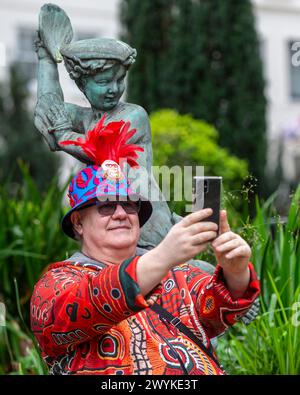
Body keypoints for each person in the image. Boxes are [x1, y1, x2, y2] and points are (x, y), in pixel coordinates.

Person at [30, 117, 260, 375]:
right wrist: (163, 256)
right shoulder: (56, 283)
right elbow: (74, 311)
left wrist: (235, 270)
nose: (121, 213)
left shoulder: (180, 275)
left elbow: (216, 311)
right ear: (78, 222)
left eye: (129, 205)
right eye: (107, 205)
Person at [34, 4, 174, 250]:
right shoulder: (87, 118)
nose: (114, 88)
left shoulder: (134, 115)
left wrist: (64, 133)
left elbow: (99, 150)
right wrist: (46, 59)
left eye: (119, 80)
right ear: (82, 85)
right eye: (103, 82)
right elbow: (49, 109)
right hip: (114, 220)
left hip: (147, 220)